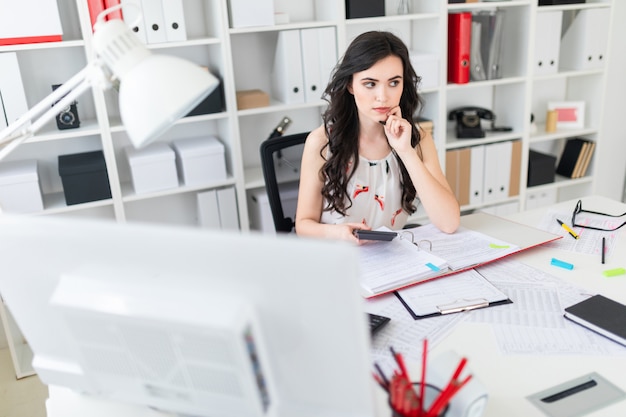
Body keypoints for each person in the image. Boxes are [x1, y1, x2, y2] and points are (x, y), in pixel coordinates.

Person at [295, 31, 460, 243]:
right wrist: (339, 233)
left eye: (393, 83)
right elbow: (303, 225)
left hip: (390, 260)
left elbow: (449, 223)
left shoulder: (417, 140)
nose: (383, 97)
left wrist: (405, 152)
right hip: (337, 255)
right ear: (350, 85)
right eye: (370, 84)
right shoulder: (322, 142)